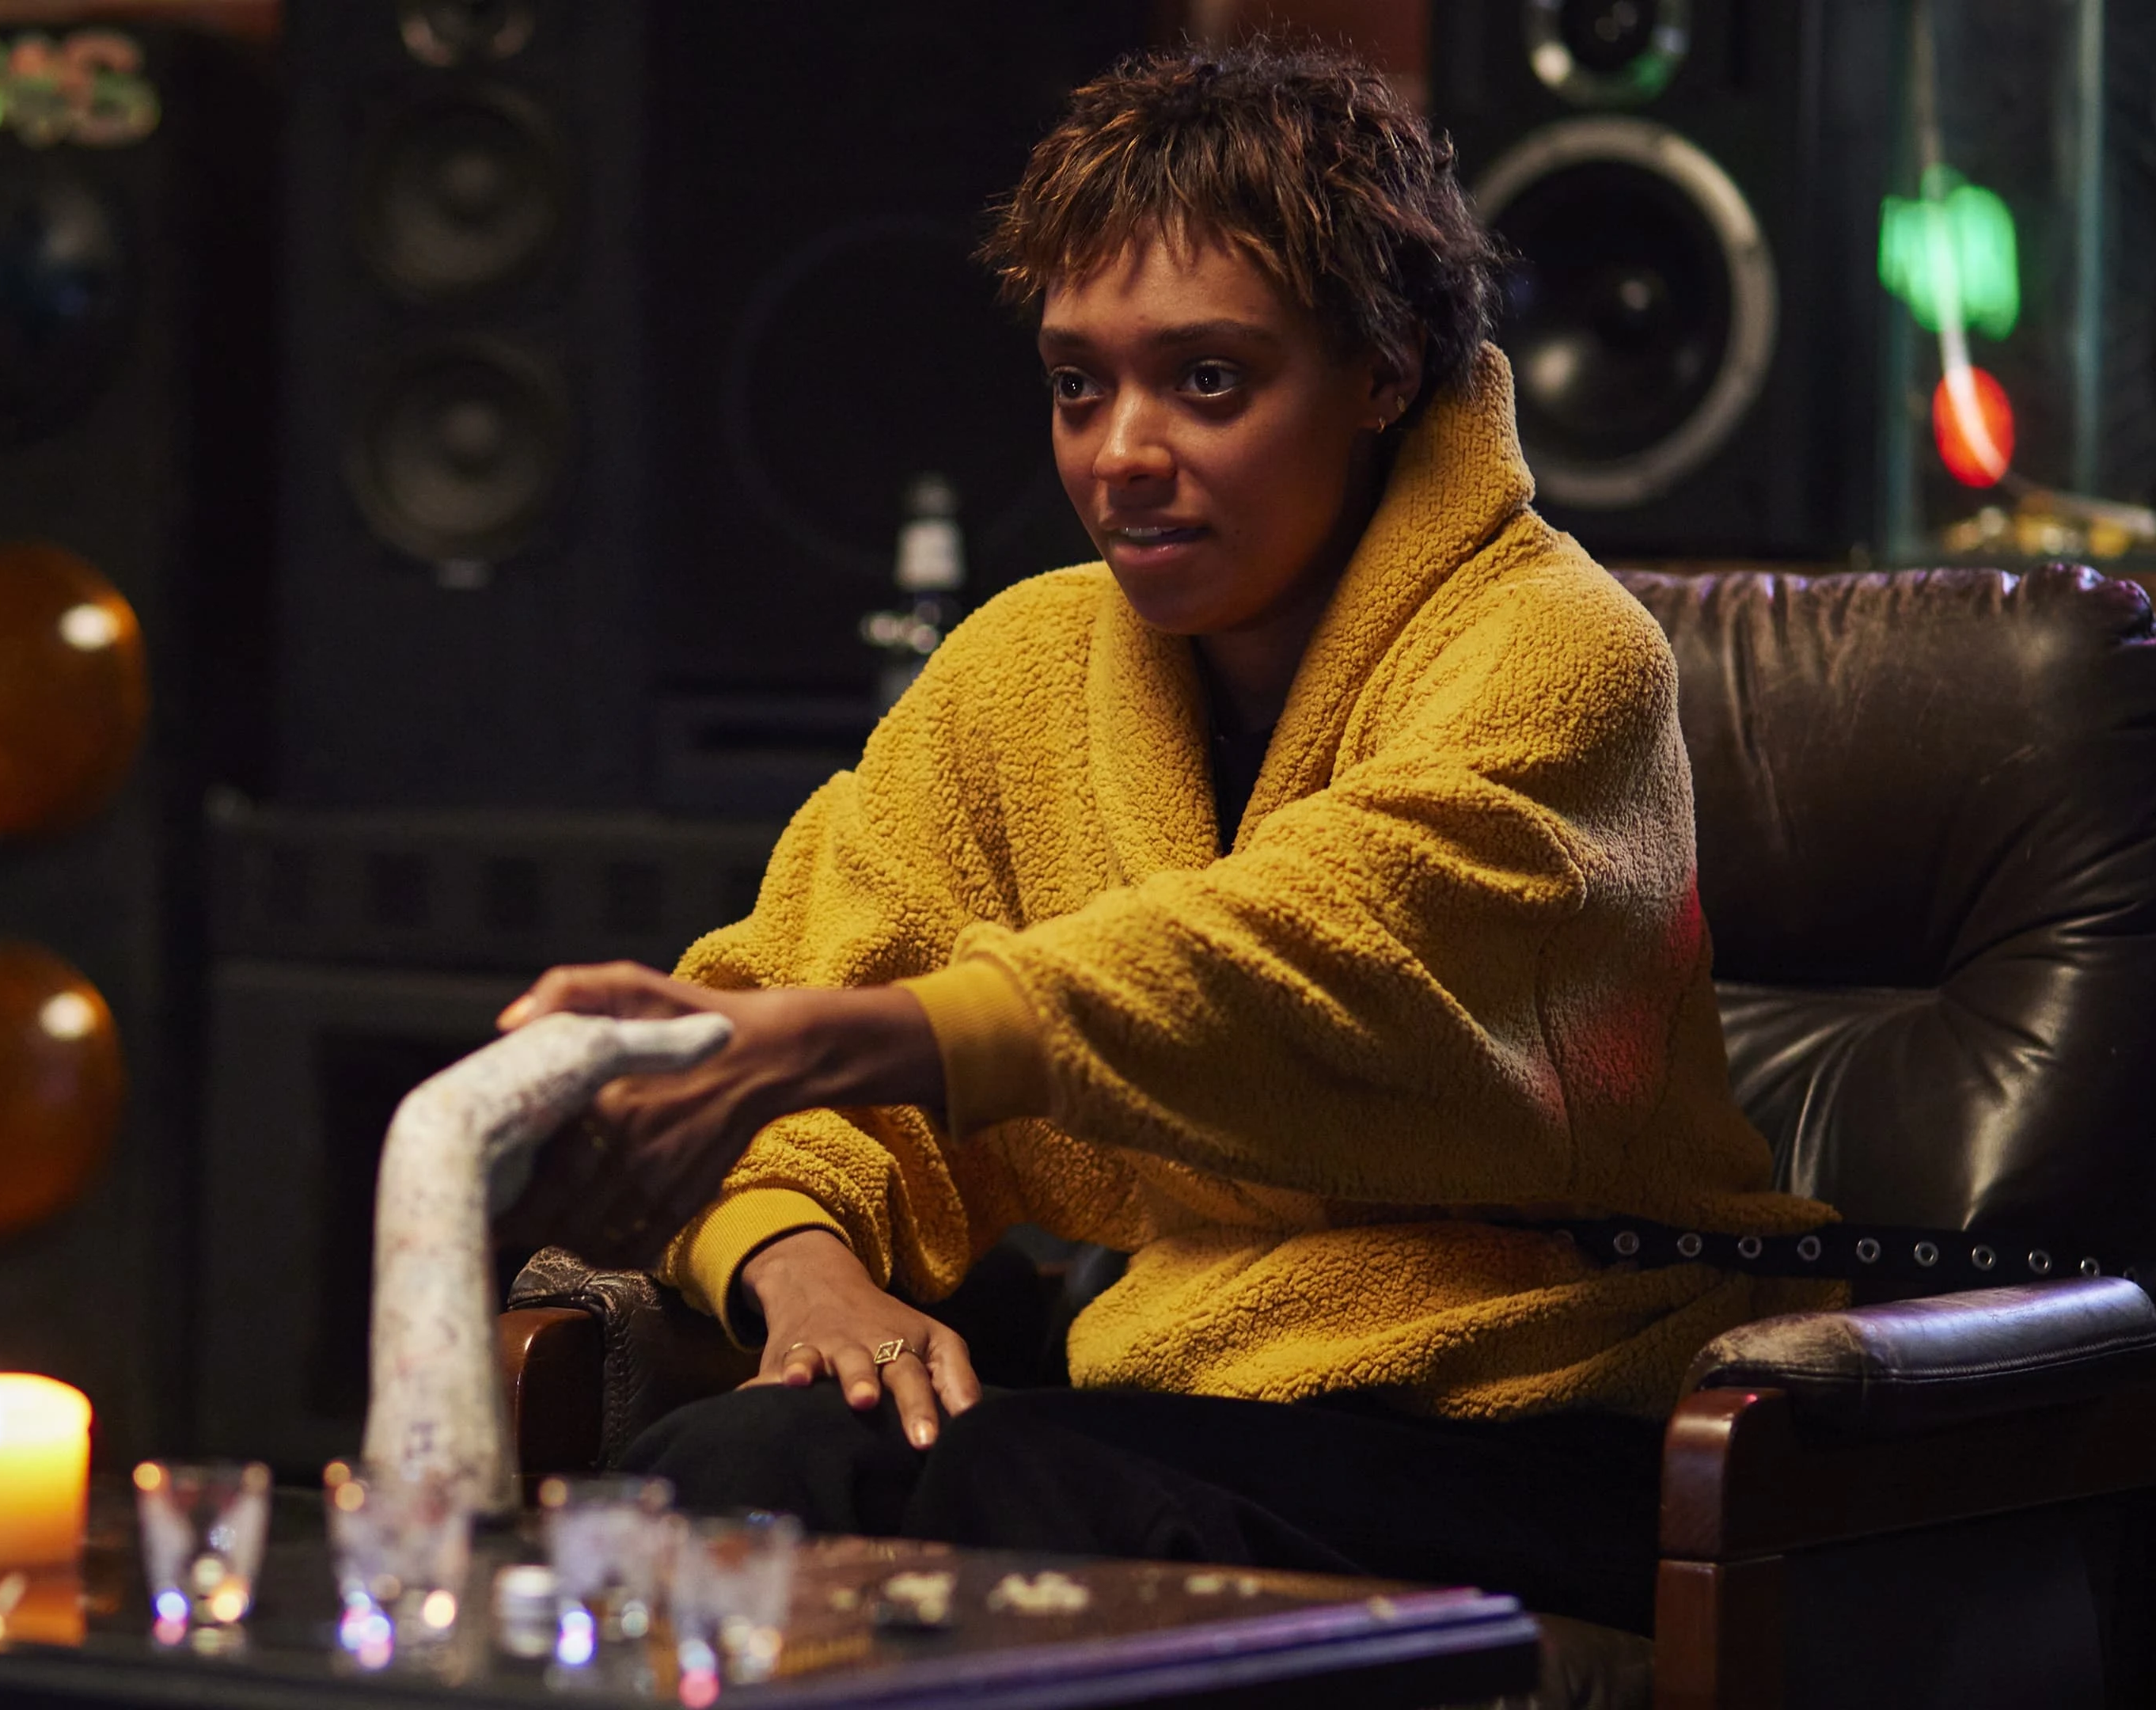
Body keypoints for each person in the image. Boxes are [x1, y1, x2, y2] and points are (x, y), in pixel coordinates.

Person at [491, 40, 1831, 1636]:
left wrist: (835, 1038)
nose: (1120, 452)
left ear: (1384, 372)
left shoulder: (1557, 653)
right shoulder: (1021, 673)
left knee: (1006, 1490)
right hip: (1190, 1402)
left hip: (1548, 1429)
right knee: (732, 1462)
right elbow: (805, 981)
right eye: (1079, 384)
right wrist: (805, 1269)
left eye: (1207, 382)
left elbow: (1309, 962)